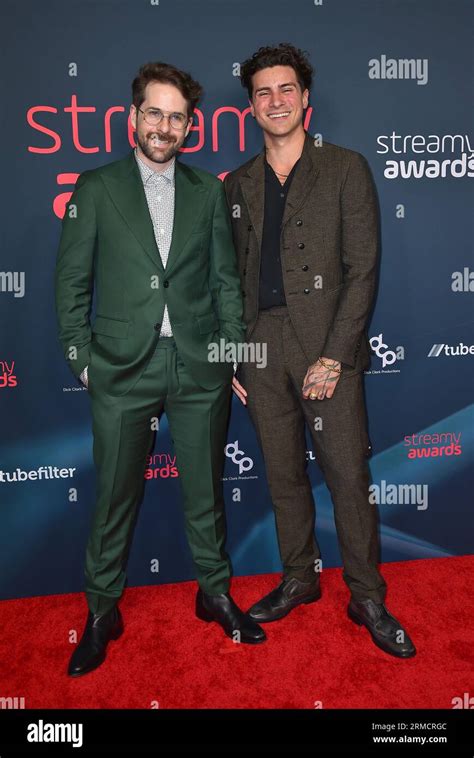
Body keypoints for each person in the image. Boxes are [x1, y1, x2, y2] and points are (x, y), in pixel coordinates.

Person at [55, 61, 266, 677]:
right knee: (114, 498)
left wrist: (229, 352)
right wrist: (82, 361)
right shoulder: (95, 188)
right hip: (120, 368)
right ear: (133, 117)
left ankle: (214, 593)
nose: (164, 125)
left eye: (177, 116)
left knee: (205, 492)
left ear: (188, 127)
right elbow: (71, 284)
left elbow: (227, 284)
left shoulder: (207, 191)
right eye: (155, 112)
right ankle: (101, 610)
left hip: (198, 367)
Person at [223, 43, 416, 658]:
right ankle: (300, 579)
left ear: (305, 99)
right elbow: (230, 277)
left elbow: (363, 270)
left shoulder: (346, 168)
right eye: (262, 93)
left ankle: (366, 596)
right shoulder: (239, 184)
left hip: (326, 344)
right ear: (251, 106)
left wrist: (335, 354)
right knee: (282, 476)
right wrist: (234, 354)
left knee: (347, 476)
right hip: (261, 346)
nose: (275, 101)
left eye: (286, 89)